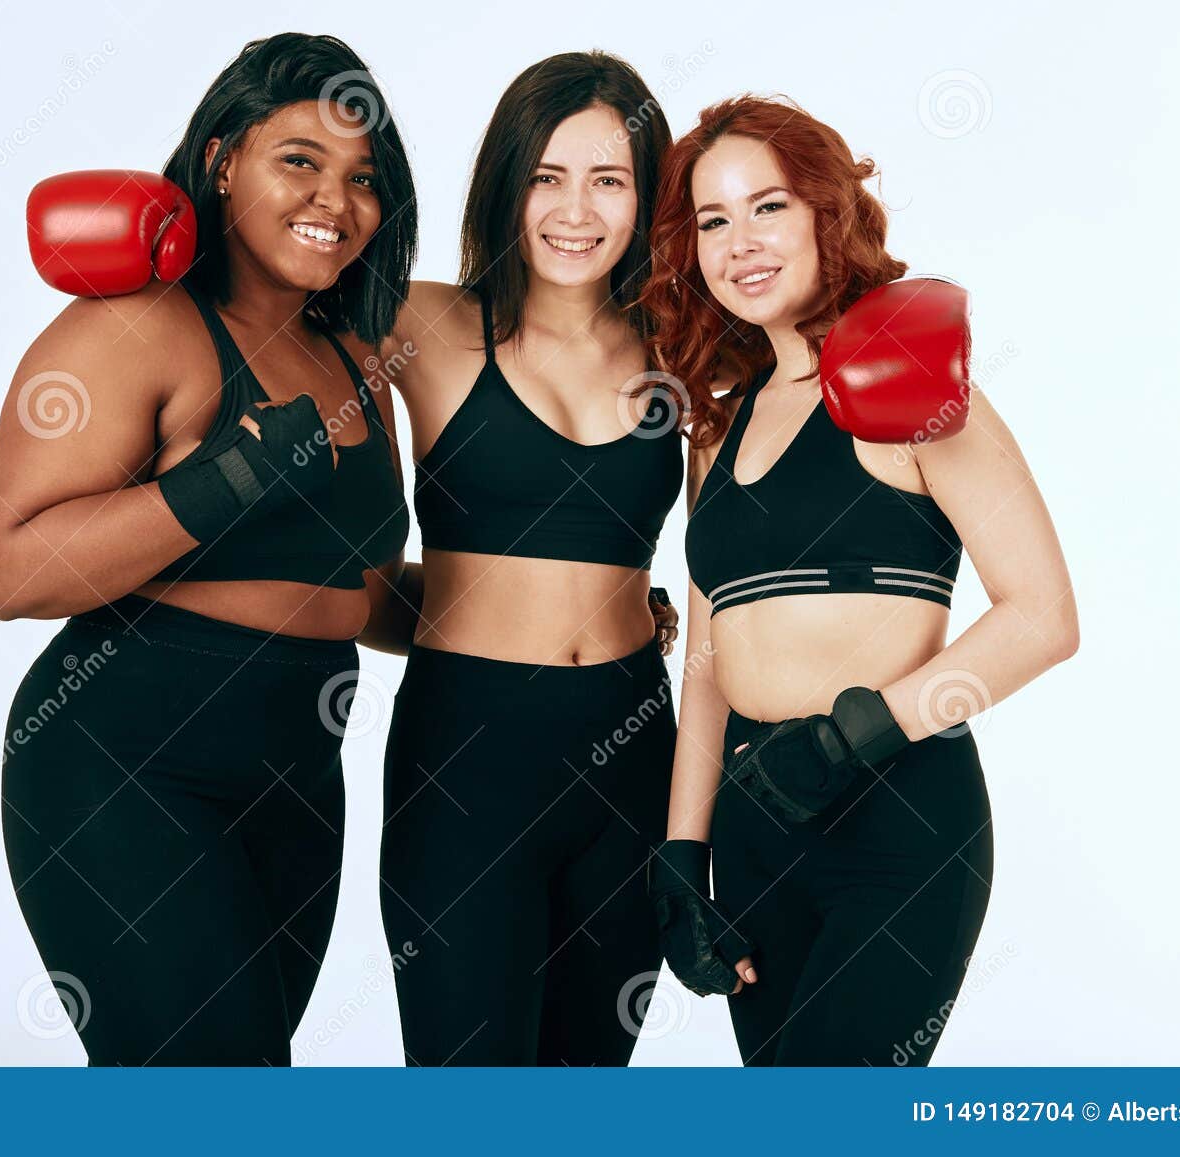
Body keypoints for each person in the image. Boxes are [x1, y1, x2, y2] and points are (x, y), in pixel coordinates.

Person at [0, 33, 416, 1065]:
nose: (335, 199)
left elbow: (352, 589)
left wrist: (575, 614)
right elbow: (8, 569)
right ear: (222, 161)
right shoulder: (137, 328)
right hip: (126, 760)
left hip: (300, 773)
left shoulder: (354, 358)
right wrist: (231, 479)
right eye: (297, 159)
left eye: (363, 177)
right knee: (203, 1089)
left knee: (241, 1087)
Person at [639, 95, 1079, 1066]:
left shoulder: (913, 382)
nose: (739, 242)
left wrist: (849, 738)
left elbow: (1043, 616)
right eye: (712, 220)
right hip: (754, 831)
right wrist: (681, 855)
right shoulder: (718, 423)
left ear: (823, 213)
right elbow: (709, 658)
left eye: (767, 207)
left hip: (897, 819)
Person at [368, 51, 684, 1065]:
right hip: (465, 759)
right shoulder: (418, 325)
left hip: (635, 752)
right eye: (546, 176)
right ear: (506, 183)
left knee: (587, 1091)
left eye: (608, 179)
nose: (574, 210)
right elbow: (249, 309)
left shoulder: (686, 349)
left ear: (648, 197)